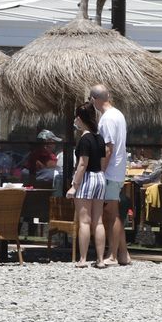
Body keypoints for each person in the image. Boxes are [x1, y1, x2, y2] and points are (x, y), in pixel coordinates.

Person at [92, 84, 132, 266]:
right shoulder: (118, 115)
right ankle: (123, 254)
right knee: (111, 212)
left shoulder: (107, 119)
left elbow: (108, 148)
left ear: (94, 99)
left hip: (110, 170)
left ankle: (113, 254)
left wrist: (101, 170)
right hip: (117, 169)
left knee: (111, 213)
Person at [68, 104, 110, 268]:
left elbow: (82, 164)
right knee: (98, 221)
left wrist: (74, 185)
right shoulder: (99, 138)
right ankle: (100, 259)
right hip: (100, 177)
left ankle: (83, 259)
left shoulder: (84, 139)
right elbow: (102, 161)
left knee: (84, 221)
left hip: (87, 178)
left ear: (80, 118)